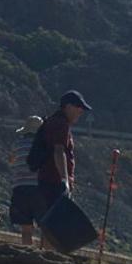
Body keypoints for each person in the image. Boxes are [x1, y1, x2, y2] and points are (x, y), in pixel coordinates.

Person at [32, 90, 91, 244]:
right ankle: (50, 253)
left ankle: (45, 251)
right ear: (68, 106)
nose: (80, 111)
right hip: (54, 180)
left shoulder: (53, 121)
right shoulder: (60, 124)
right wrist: (64, 179)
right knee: (56, 223)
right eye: (78, 107)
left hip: (47, 178)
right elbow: (59, 151)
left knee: (50, 220)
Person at [8, 115, 44, 246]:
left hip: (20, 188)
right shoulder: (43, 145)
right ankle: (44, 254)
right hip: (39, 188)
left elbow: (11, 160)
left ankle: (27, 251)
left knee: (26, 228)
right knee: (45, 226)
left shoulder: (17, 144)